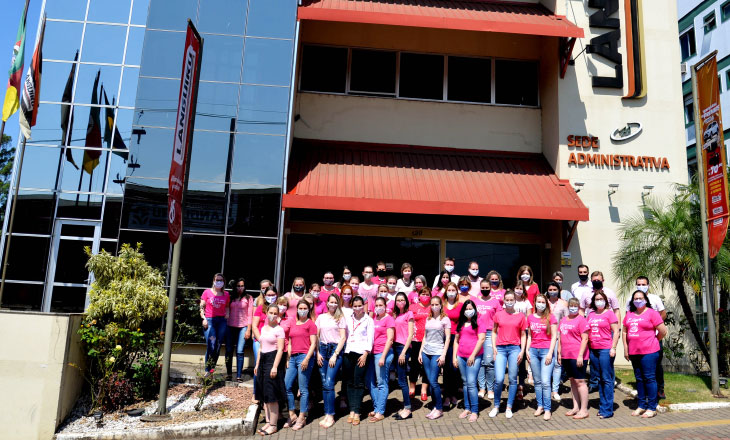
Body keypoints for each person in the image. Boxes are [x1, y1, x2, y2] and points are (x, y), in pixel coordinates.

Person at [623, 290, 667, 418]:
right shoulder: (630, 314)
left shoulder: (652, 313)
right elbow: (624, 332)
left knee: (649, 378)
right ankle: (641, 405)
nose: (638, 300)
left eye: (640, 298)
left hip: (649, 352)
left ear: (645, 300)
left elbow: (663, 331)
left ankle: (651, 407)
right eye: (635, 298)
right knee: (639, 379)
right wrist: (626, 348)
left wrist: (653, 341)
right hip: (634, 352)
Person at [490, 290, 527, 419]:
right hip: (500, 348)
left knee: (512, 379)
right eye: (507, 300)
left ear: (515, 301)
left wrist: (522, 350)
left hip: (514, 349)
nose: (509, 302)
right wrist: (494, 347)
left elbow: (523, 334)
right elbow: (494, 332)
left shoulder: (521, 316)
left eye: (512, 300)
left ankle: (509, 406)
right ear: (504, 301)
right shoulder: (498, 314)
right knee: (499, 379)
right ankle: (496, 406)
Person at [629, 276, 667, 399]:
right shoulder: (632, 300)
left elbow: (663, 314)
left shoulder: (654, 299)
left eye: (643, 284)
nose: (641, 286)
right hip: (638, 341)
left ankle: (660, 388)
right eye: (638, 284)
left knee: (656, 365)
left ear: (648, 285)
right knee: (640, 369)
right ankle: (645, 391)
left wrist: (655, 326)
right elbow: (628, 319)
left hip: (654, 338)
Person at [284, 300, 317, 431]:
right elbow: (290, 341)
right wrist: (288, 358)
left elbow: (313, 344)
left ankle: (302, 416)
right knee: (287, 386)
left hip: (304, 357)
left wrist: (307, 359)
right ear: (297, 309)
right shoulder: (293, 323)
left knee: (303, 389)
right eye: (300, 308)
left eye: (305, 308)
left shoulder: (311, 324)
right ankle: (292, 414)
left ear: (308, 310)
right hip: (293, 358)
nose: (302, 310)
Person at [586, 290, 619, 419]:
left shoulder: (610, 314)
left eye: (601, 299)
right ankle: (603, 405)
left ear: (605, 301)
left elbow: (616, 332)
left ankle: (607, 409)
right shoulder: (591, 314)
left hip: (606, 349)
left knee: (607, 379)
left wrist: (613, 347)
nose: (599, 301)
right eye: (596, 299)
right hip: (593, 350)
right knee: (599, 379)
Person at [315, 294, 347, 429]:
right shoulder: (321, 317)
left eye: (335, 302)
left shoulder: (340, 318)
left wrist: (335, 354)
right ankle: (327, 414)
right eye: (331, 302)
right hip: (322, 349)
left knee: (329, 382)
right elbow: (316, 336)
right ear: (327, 303)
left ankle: (331, 414)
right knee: (324, 384)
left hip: (335, 351)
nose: (333, 304)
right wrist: (317, 353)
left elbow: (343, 338)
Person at [342, 296, 374, 425]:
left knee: (359, 382)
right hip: (349, 352)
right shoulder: (348, 319)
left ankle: (357, 411)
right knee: (349, 382)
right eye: (354, 306)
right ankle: (351, 410)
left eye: (359, 305)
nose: (357, 308)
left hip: (362, 354)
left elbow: (370, 338)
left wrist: (366, 353)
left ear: (363, 306)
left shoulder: (368, 320)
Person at [254, 304, 286, 436]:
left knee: (272, 395)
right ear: (266, 313)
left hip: (272, 360)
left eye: (275, 313)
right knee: (264, 395)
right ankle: (268, 422)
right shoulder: (264, 328)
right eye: (270, 312)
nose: (272, 315)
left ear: (278, 315)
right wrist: (256, 364)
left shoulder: (279, 330)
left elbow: (280, 349)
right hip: (262, 361)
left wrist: (274, 367)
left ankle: (273, 425)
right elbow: (261, 348)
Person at [418, 294, 450, 420]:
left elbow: (447, 338)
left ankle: (439, 408)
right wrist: (421, 352)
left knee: (433, 381)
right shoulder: (428, 318)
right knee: (430, 382)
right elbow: (425, 337)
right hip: (426, 352)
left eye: (437, 304)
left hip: (437, 352)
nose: (435, 306)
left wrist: (443, 355)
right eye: (432, 304)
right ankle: (435, 407)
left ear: (441, 305)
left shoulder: (445, 319)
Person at [453, 299, 486, 422]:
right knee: (465, 382)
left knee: (471, 383)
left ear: (474, 309)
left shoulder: (479, 321)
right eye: (466, 309)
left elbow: (481, 339)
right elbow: (456, 340)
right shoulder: (460, 323)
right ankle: (467, 408)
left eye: (470, 308)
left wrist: (472, 355)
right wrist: (454, 357)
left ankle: (475, 410)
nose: (468, 311)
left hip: (474, 356)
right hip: (461, 356)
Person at [526, 294, 558, 420]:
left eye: (542, 302)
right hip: (533, 351)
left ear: (546, 304)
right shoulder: (530, 318)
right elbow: (529, 336)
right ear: (535, 303)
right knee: (537, 381)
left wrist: (550, 353)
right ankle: (540, 406)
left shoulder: (551, 317)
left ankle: (548, 409)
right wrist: (527, 350)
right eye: (538, 301)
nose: (540, 304)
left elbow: (554, 336)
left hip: (546, 351)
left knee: (545, 381)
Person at [558, 298, 590, 419]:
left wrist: (580, 355)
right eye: (571, 305)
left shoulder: (581, 320)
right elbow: (561, 337)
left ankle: (584, 409)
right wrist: (559, 353)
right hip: (566, 355)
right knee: (572, 381)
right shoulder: (563, 320)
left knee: (580, 382)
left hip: (577, 356)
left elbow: (585, 339)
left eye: (575, 306)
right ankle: (576, 407)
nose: (573, 307)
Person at [367, 296, 395, 422]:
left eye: (381, 305)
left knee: (382, 383)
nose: (378, 307)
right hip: (373, 353)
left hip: (383, 354)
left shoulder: (388, 319)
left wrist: (383, 356)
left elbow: (390, 339)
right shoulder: (374, 318)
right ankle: (377, 407)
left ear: (385, 306)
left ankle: (381, 411)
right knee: (371, 382)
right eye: (376, 305)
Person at [474, 279, 502, 399]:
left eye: (487, 288)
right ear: (480, 288)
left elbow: (500, 318)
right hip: (478, 333)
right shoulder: (475, 301)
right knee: (479, 362)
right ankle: (482, 388)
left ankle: (490, 389)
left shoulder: (495, 302)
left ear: (490, 288)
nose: (485, 289)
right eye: (483, 288)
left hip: (491, 333)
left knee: (489, 362)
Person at [252, 285, 278, 403]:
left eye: (273, 295)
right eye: (269, 295)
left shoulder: (278, 308)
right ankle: (256, 393)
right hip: (260, 341)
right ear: (264, 295)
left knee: (271, 368)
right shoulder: (260, 308)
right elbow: (254, 326)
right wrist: (261, 339)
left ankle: (270, 394)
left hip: (274, 343)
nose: (271, 297)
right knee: (259, 367)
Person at [392, 292, 415, 420]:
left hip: (403, 348)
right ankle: (405, 406)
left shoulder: (409, 314)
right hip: (396, 347)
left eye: (402, 300)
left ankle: (408, 408)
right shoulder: (396, 315)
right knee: (400, 379)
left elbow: (410, 334)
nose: (400, 302)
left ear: (406, 301)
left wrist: (403, 352)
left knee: (402, 380)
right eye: (398, 300)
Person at [200, 273, 230, 372]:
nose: (219, 282)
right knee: (211, 345)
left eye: (221, 280)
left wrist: (227, 314)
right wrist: (203, 318)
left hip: (221, 321)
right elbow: (201, 306)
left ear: (224, 282)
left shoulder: (226, 294)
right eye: (217, 280)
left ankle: (211, 370)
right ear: (213, 281)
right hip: (209, 320)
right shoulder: (207, 292)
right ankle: (207, 370)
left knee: (217, 346)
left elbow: (227, 306)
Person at [226, 278, 253, 382]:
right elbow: (226, 309)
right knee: (229, 350)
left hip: (243, 326)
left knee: (240, 351)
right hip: (230, 326)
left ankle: (238, 375)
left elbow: (250, 314)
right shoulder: (230, 297)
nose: (240, 288)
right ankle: (229, 373)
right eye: (238, 286)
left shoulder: (248, 298)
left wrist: (248, 330)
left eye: (242, 286)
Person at [545, 281, 568, 401]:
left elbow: (566, 321)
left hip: (558, 337)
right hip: (545, 337)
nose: (552, 291)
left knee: (557, 364)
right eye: (550, 289)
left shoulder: (563, 304)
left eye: (555, 289)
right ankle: (546, 388)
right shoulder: (543, 302)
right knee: (546, 363)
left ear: (559, 290)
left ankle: (555, 390)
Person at [443, 282, 463, 408]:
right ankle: (446, 395)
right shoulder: (442, 305)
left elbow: (462, 322)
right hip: (444, 340)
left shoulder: (460, 306)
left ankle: (454, 394)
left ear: (456, 292)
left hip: (456, 339)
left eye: (453, 290)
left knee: (454, 368)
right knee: (446, 369)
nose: (451, 292)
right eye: (449, 290)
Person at [410, 286, 432, 399]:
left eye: (427, 294)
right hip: (416, 340)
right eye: (423, 294)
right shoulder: (412, 307)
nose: (425, 296)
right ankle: (412, 388)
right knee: (415, 365)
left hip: (429, 340)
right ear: (418, 296)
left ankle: (424, 390)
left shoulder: (432, 307)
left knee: (426, 366)